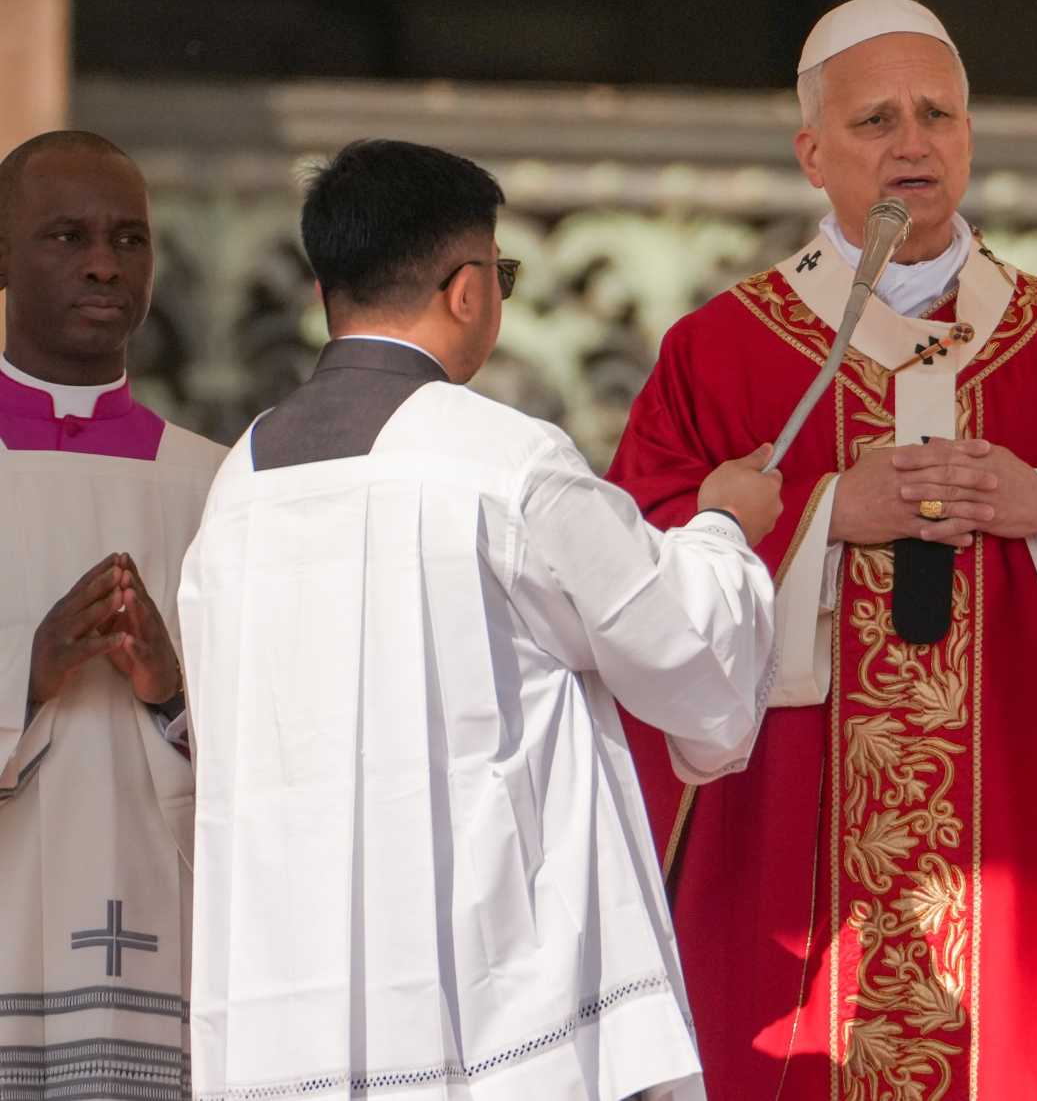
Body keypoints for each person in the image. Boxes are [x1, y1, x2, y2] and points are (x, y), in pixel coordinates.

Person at [607, 0, 1037, 1101]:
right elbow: (631, 578)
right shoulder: (723, 352)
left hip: (1022, 866)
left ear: (970, 139)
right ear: (812, 154)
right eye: (875, 121)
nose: (913, 144)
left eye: (937, 115)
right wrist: (818, 514)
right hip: (789, 859)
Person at [178, 139, 784, 1101]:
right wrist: (722, 526)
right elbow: (680, 652)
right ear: (469, 291)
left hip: (287, 1005)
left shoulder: (239, 482)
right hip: (489, 1010)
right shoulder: (504, 460)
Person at [0, 130, 223, 1098]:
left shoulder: (218, 486)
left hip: (159, 941)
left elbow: (277, 755)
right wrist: (27, 671)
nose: (104, 262)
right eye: (65, 236)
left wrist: (174, 693)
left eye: (129, 240)